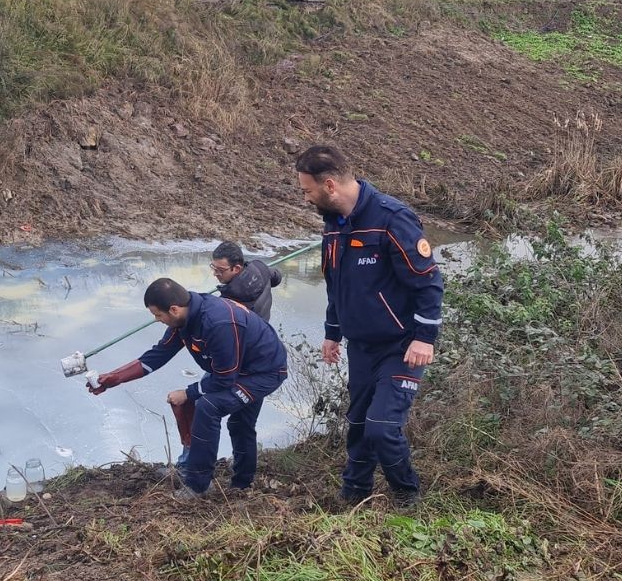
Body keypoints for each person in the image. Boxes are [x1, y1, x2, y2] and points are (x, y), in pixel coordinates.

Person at [295, 144, 444, 508]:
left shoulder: (392, 218)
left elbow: (429, 281)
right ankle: (354, 492)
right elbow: (337, 285)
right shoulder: (333, 226)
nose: (305, 198)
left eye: (307, 190)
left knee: (382, 427)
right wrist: (333, 333)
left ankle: (407, 493)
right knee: (359, 423)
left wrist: (425, 338)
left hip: (402, 346)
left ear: (329, 186)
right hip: (361, 346)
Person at [88, 278, 288, 500]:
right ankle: (223, 477)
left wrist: (189, 392)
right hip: (235, 367)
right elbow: (158, 355)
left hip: (263, 371)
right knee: (232, 419)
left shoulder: (217, 322)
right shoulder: (184, 318)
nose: (157, 320)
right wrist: (114, 378)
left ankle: (200, 485)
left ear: (173, 309)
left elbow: (223, 379)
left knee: (209, 407)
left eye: (158, 315)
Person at [210, 241, 283, 323]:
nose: (215, 273)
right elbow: (277, 278)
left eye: (220, 270)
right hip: (264, 326)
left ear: (236, 268)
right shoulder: (260, 268)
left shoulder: (227, 303)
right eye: (213, 267)